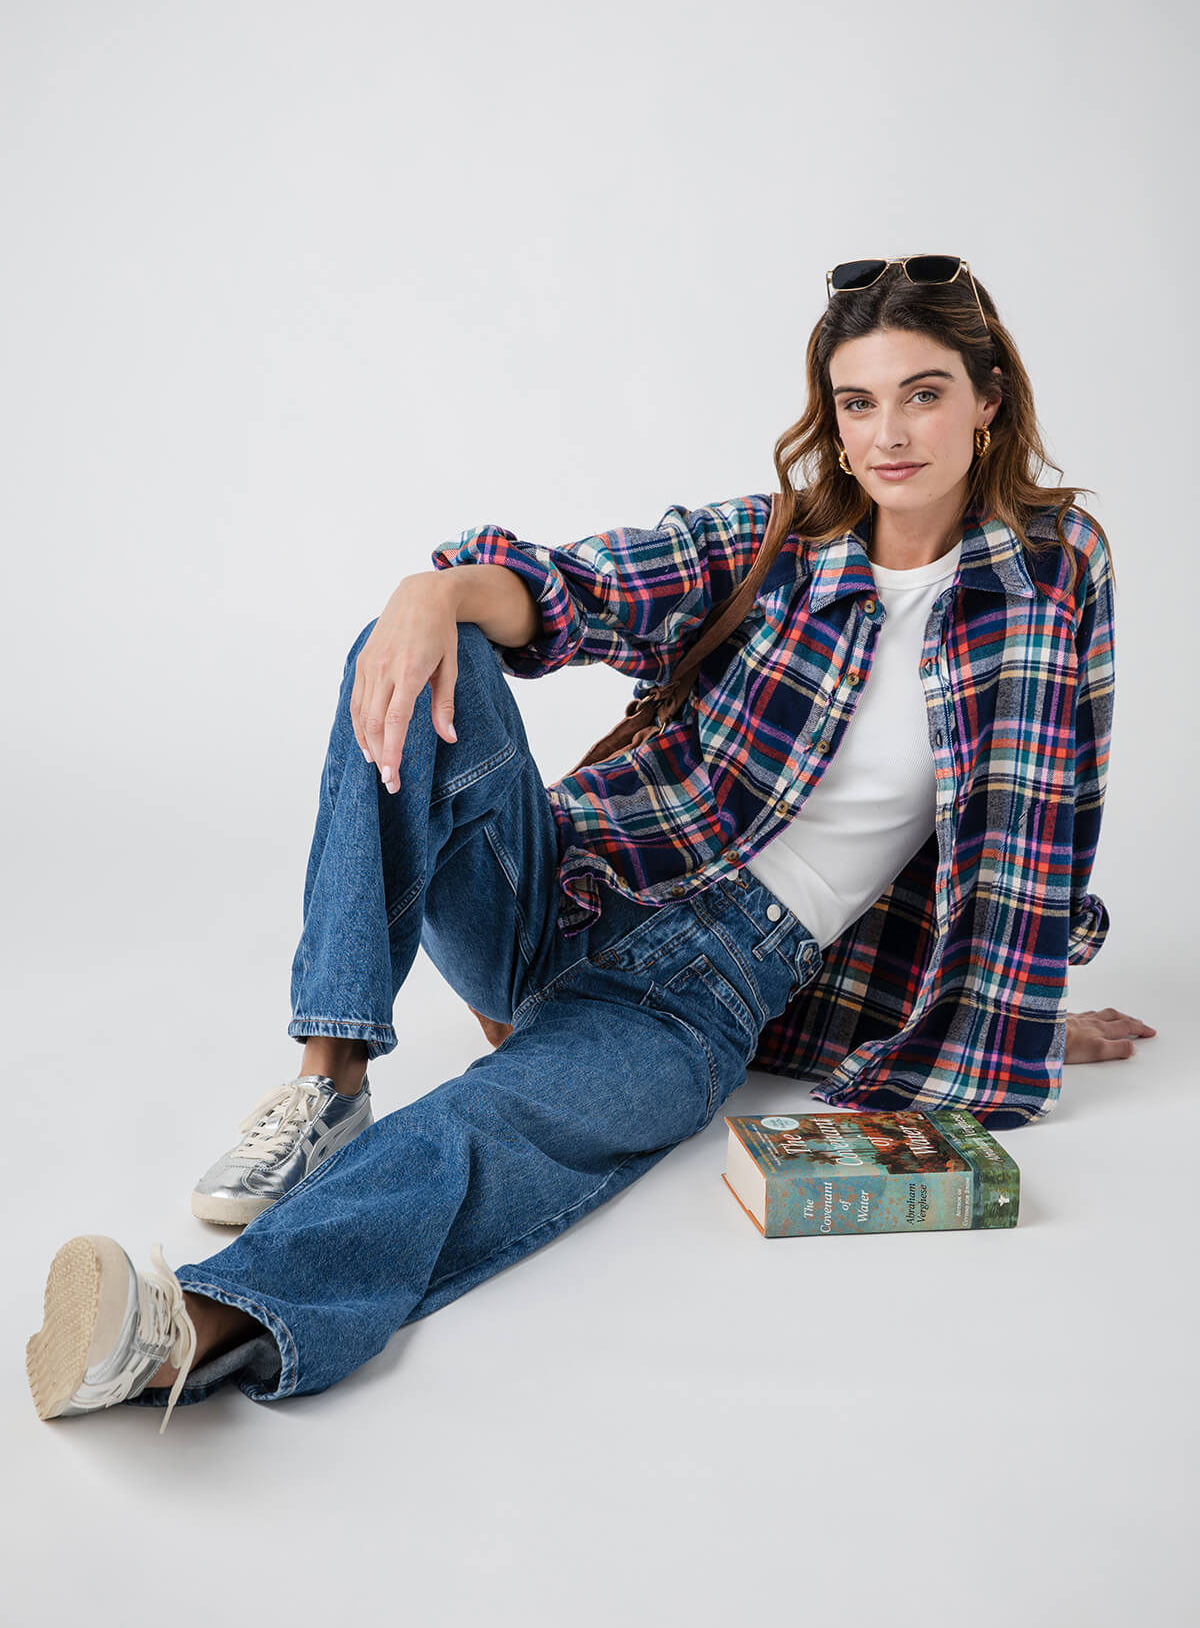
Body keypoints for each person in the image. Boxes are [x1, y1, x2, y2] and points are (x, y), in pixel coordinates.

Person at [26, 254, 1156, 1435]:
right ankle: (330, 1077)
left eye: (923, 394)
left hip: (703, 995)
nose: (890, 435)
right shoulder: (774, 543)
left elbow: (1045, 809)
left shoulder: (1054, 570)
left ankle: (183, 1331)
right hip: (558, 887)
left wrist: (1013, 1007)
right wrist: (430, 593)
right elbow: (578, 590)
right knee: (415, 651)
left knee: (485, 1129)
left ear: (987, 399)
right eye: (857, 403)